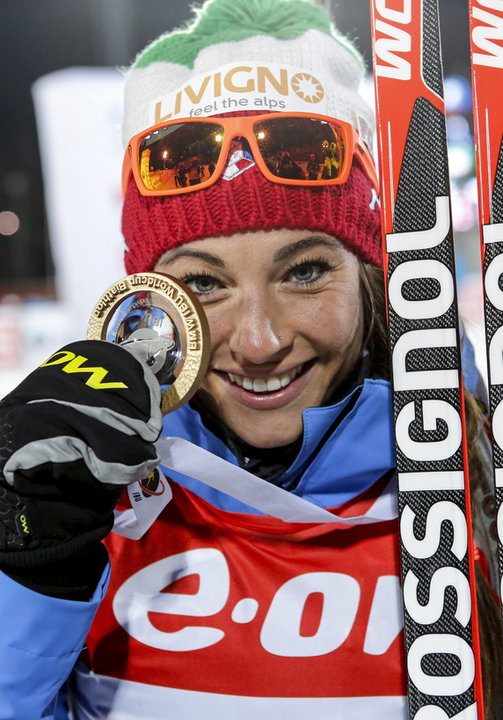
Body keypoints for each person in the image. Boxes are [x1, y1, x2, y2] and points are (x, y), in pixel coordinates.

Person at [0, 0, 501, 718]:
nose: (259, 342)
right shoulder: (85, 500)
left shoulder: (474, 487)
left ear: (370, 281)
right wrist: (30, 569)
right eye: (203, 283)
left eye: (303, 272)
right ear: (147, 297)